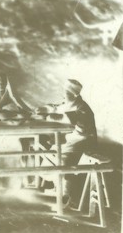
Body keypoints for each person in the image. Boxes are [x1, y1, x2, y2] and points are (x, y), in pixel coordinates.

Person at [36, 79, 98, 207]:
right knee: (50, 158)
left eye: (66, 92)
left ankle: (65, 195)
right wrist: (42, 108)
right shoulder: (68, 103)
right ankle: (56, 187)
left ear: (74, 94)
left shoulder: (82, 108)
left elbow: (68, 119)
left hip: (81, 143)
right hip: (67, 142)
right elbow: (55, 107)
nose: (63, 94)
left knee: (63, 163)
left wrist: (48, 116)